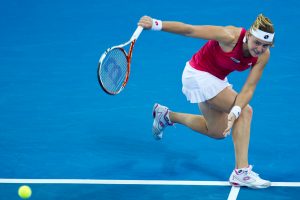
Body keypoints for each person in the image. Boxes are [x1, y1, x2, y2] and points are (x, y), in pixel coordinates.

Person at [138, 14, 275, 189]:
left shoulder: (263, 56)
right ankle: (241, 172)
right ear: (248, 35)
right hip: (197, 75)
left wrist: (234, 111)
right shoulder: (230, 36)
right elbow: (190, 30)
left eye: (265, 45)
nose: (260, 48)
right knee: (246, 112)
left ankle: (166, 116)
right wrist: (156, 24)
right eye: (257, 42)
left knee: (217, 131)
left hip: (216, 79)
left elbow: (249, 88)